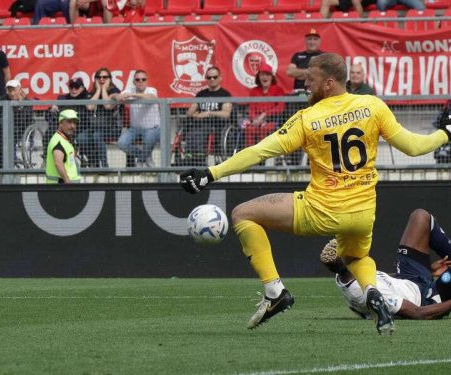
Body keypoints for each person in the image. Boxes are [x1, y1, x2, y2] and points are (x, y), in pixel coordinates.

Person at [179, 53, 451, 335]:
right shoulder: (373, 106)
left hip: (322, 209)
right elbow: (414, 147)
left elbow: (260, 151)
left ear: (329, 83)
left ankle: (275, 292)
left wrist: (211, 173)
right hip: (362, 213)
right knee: (355, 258)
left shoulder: (308, 119)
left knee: (243, 213)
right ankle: (372, 291)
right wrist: (446, 134)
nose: (305, 82)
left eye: (311, 78)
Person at [320, 209, 451, 320]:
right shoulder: (370, 294)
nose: (358, 245)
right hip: (424, 298)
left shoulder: (346, 273)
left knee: (420, 217)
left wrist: (428, 269)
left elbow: (383, 281)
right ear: (345, 259)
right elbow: (418, 313)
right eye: (350, 247)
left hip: (407, 277)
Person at [183, 66, 232, 166]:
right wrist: (194, 114)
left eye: (214, 77)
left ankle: (199, 159)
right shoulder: (201, 94)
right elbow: (190, 112)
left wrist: (208, 113)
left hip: (217, 126)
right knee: (191, 130)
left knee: (200, 132)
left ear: (220, 78)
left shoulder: (225, 94)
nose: (212, 79)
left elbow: (226, 114)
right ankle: (189, 157)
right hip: (199, 125)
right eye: (209, 77)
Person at [116, 70, 160, 168]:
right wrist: (121, 96)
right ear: (134, 82)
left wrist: (134, 95)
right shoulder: (129, 90)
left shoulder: (151, 90)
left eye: (143, 79)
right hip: (135, 129)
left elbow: (152, 97)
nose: (141, 81)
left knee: (149, 138)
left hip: (152, 128)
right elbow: (118, 97)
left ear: (147, 81)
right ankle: (145, 156)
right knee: (121, 143)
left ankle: (141, 160)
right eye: (138, 79)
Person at [80, 68, 120, 168]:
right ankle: (94, 162)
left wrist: (104, 89)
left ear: (110, 79)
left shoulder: (114, 91)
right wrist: (98, 90)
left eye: (105, 77)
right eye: (99, 77)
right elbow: (90, 107)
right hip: (94, 128)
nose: (102, 79)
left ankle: (104, 165)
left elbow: (108, 106)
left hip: (111, 128)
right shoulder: (91, 93)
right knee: (81, 138)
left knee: (97, 136)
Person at [244, 63, 286, 148]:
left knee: (265, 129)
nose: (264, 77)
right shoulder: (254, 91)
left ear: (271, 77)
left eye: (267, 75)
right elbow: (251, 108)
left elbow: (280, 107)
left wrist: (264, 115)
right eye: (262, 75)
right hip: (256, 120)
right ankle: (249, 156)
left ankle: (262, 154)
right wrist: (255, 119)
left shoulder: (278, 90)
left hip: (271, 120)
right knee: (249, 129)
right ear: (258, 77)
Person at [45, 109, 81, 183]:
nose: (72, 126)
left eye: (74, 123)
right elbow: (58, 163)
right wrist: (68, 182)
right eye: (69, 122)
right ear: (60, 123)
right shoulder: (58, 142)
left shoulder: (64, 139)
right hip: (61, 189)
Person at [286, 29, 323, 94]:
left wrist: (299, 74)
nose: (312, 42)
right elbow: (290, 72)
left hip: (318, 92)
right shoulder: (297, 55)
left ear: (319, 41)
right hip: (299, 92)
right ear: (305, 41)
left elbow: (324, 74)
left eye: (315, 39)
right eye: (309, 39)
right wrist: (311, 72)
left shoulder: (324, 56)